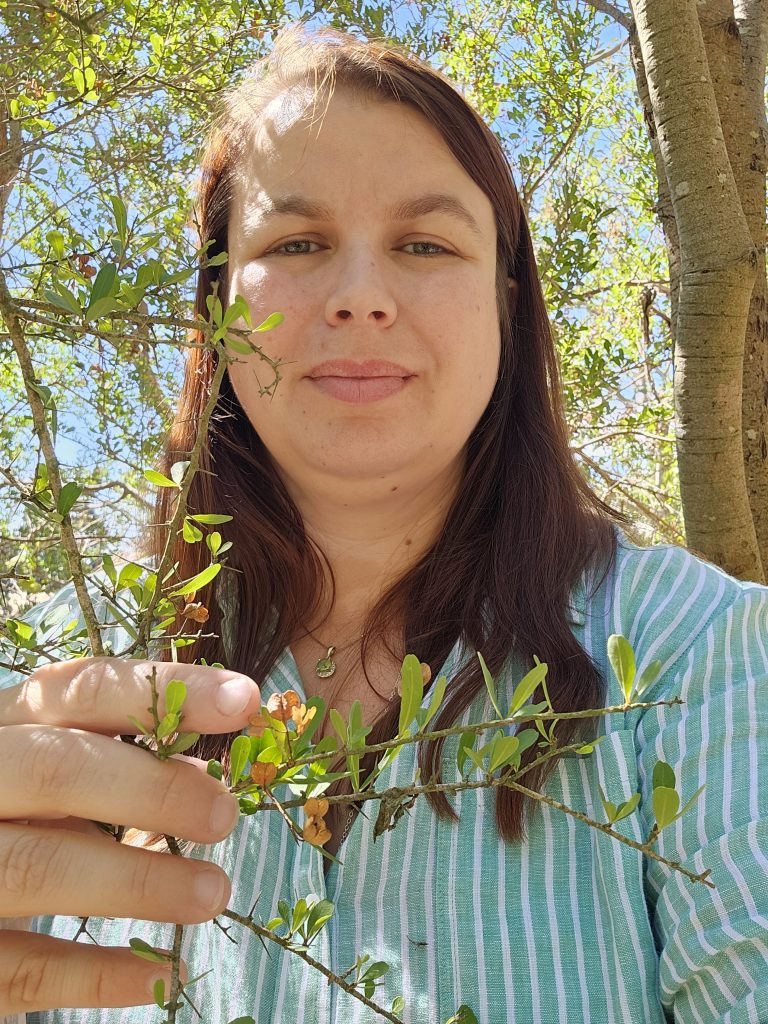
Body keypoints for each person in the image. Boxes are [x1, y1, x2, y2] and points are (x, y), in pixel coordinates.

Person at [2, 20, 768, 1024]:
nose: (361, 295)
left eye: (423, 242)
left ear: (506, 302)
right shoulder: (58, 678)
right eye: (297, 242)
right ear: (218, 304)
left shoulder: (702, 659)